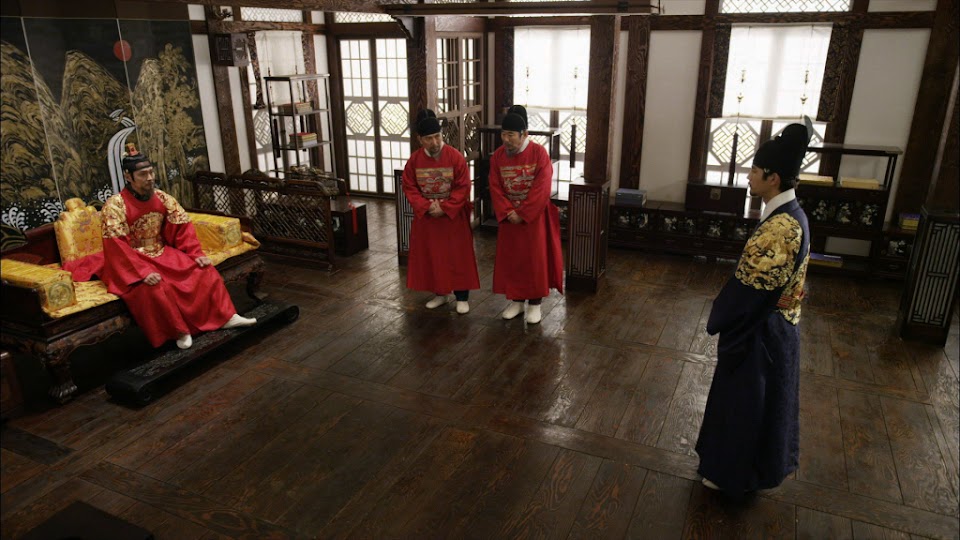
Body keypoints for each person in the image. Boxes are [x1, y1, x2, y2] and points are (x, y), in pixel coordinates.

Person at [695, 119, 814, 495]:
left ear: (773, 178)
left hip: (762, 330)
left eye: (755, 170)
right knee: (758, 403)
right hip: (776, 325)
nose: (749, 176)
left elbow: (748, 292)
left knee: (745, 403)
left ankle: (732, 475)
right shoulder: (792, 215)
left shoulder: (780, 229)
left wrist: (722, 316)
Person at [99, 143, 256, 350]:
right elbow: (117, 246)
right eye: (143, 174)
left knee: (204, 270)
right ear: (128, 176)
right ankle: (179, 331)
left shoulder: (162, 198)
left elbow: (181, 227)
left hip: (161, 251)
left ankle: (226, 316)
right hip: (132, 260)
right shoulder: (115, 205)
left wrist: (195, 253)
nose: (150, 178)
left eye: (151, 172)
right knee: (155, 288)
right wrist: (142, 272)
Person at [488, 105, 563, 324]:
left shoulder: (539, 153)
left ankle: (535, 304)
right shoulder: (498, 156)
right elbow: (495, 185)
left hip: (533, 218)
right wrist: (508, 211)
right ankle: (516, 301)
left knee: (534, 260)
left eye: (511, 135)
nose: (506, 140)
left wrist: (523, 212)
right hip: (510, 217)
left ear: (524, 134)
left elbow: (542, 187)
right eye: (504, 134)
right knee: (513, 259)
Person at [401, 109, 480, 313]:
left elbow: (463, 186)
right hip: (428, 218)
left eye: (437, 136)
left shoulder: (455, 157)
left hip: (452, 217)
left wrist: (445, 207)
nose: (434, 142)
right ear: (420, 140)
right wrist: (426, 206)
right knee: (434, 256)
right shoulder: (414, 161)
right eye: (429, 138)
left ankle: (462, 297)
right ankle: (440, 293)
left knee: (457, 256)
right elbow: (409, 187)